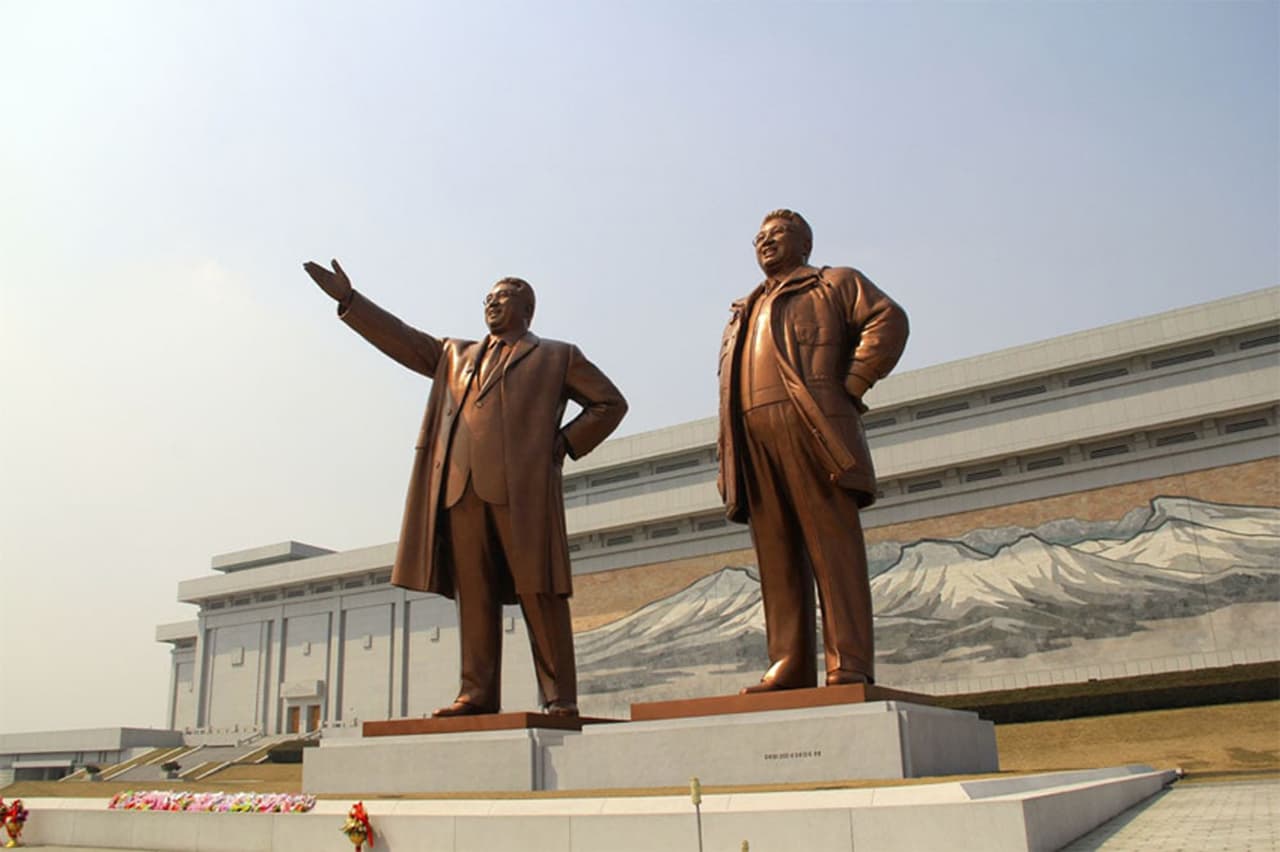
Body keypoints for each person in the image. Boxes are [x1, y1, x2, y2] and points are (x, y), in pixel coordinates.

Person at [303, 260, 627, 716]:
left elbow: (609, 403)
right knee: (473, 595)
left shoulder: (557, 356)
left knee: (539, 589)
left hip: (522, 492)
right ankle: (476, 693)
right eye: (488, 299)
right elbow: (403, 339)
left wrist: (561, 445)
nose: (491, 303)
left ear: (527, 308)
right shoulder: (455, 355)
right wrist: (350, 301)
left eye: (502, 297)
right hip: (460, 490)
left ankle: (559, 697)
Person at [717, 210, 908, 693]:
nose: (765, 242)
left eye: (777, 234)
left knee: (833, 547)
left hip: (813, 426)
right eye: (759, 237)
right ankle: (788, 663)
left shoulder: (834, 283)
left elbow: (889, 319)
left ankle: (849, 661)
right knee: (776, 555)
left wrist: (855, 380)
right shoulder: (744, 309)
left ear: (804, 244)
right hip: (753, 436)